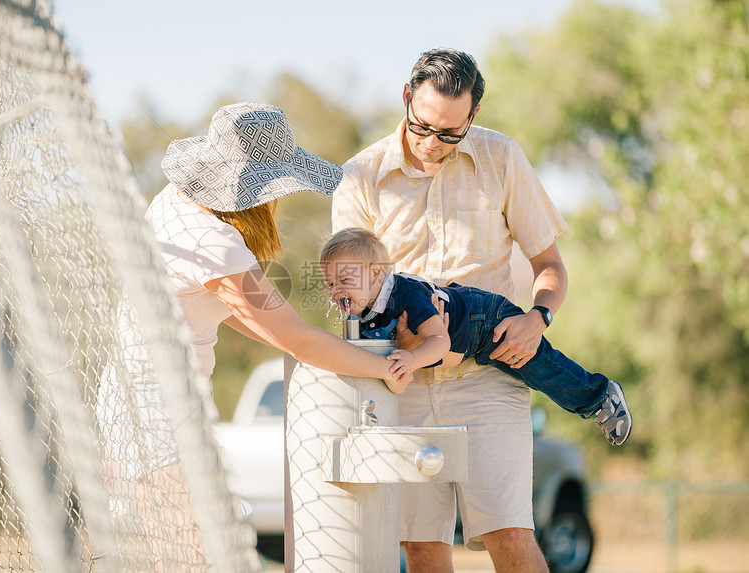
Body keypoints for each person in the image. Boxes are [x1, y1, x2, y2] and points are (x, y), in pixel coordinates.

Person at [331, 48, 590, 572]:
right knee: (422, 546)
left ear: (471, 116)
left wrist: (537, 318)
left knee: (510, 534)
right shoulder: (360, 176)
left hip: (487, 380)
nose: (432, 144)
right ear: (406, 98)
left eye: (450, 133)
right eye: (422, 126)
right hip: (400, 383)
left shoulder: (502, 157)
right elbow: (348, 293)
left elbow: (551, 267)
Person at [146, 100, 408, 395]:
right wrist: (389, 369)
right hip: (166, 399)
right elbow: (299, 340)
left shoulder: (175, 199)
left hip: (149, 387)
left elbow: (240, 312)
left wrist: (300, 341)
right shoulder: (213, 243)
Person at [319, 226, 632, 444]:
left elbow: (439, 341)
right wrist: (398, 373)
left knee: (539, 366)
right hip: (467, 344)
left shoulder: (404, 294)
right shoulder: (361, 320)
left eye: (345, 279)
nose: (336, 291)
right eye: (330, 284)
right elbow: (395, 380)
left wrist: (412, 358)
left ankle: (599, 396)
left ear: (376, 272)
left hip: (485, 320)